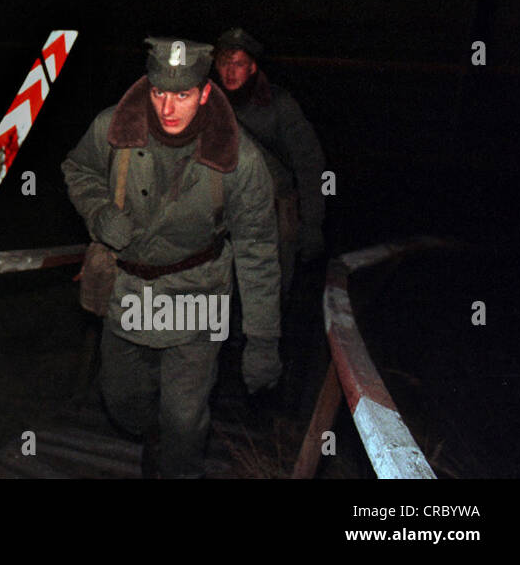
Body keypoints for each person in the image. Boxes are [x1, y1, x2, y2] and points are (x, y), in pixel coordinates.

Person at [61, 37, 280, 477]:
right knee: (122, 402)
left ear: (203, 93)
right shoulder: (112, 129)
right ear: (147, 87)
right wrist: (100, 212)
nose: (167, 107)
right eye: (160, 93)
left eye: (182, 95)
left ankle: (177, 466)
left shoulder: (241, 157)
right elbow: (78, 169)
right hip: (128, 292)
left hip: (198, 295)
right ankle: (152, 433)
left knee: (184, 419)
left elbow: (257, 247)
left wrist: (262, 340)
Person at [213, 27, 327, 300]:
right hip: (224, 209)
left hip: (274, 210)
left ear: (252, 67)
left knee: (268, 291)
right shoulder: (208, 103)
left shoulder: (279, 105)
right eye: (224, 63)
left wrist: (313, 223)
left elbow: (314, 167)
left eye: (238, 64)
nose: (230, 71)